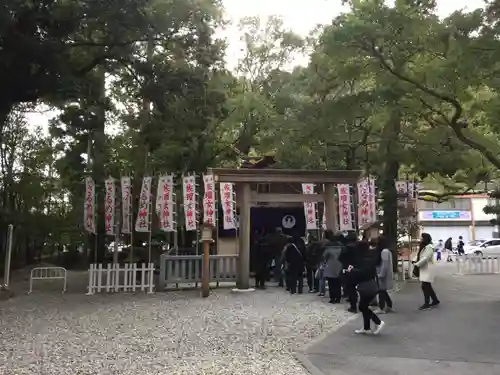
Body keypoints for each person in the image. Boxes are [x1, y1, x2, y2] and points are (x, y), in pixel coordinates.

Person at [346, 240, 385, 335]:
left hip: (367, 285)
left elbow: (363, 272)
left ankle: (378, 322)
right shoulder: (368, 257)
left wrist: (352, 271)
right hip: (368, 284)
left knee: (362, 306)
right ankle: (366, 327)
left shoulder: (365, 258)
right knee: (364, 306)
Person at [413, 232, 440, 310]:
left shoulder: (429, 247)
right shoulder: (425, 246)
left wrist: (417, 264)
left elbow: (425, 258)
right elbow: (419, 255)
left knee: (425, 286)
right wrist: (415, 260)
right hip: (425, 268)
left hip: (428, 268)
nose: (421, 239)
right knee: (427, 286)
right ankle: (435, 300)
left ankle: (427, 304)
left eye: (422, 238)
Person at [339, 234, 360, 313]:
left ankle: (353, 306)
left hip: (348, 268)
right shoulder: (359, 247)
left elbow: (340, 258)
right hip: (358, 267)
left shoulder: (346, 248)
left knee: (350, 287)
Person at [322, 231, 344, 304]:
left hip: (330, 266)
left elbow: (324, 256)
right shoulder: (341, 248)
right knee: (338, 283)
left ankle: (332, 298)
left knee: (331, 283)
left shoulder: (329, 248)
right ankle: (338, 297)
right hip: (339, 265)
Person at [376, 236, 394, 313]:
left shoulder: (384, 251)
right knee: (383, 291)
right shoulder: (386, 251)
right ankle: (389, 305)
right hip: (384, 273)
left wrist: (381, 274)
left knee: (381, 291)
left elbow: (385, 264)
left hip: (383, 274)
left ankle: (381, 307)